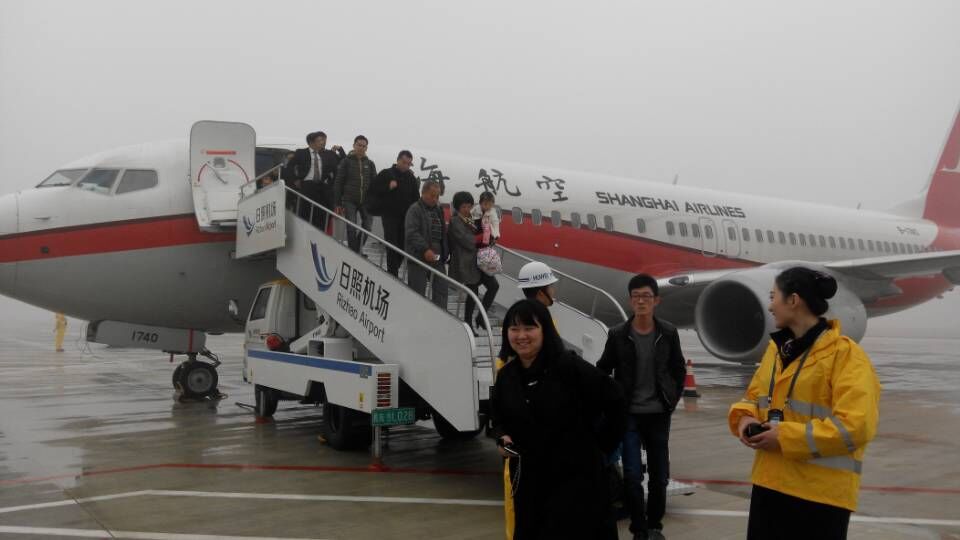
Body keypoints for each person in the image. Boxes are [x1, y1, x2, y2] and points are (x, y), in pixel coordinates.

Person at [729, 267, 880, 540]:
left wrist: (784, 437)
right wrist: (745, 419)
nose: (770, 306)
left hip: (820, 497)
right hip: (770, 486)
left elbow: (856, 427)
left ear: (793, 300)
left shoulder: (846, 357)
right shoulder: (775, 352)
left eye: (774, 297)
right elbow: (752, 398)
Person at [491, 299, 626, 540]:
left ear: (545, 330)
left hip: (576, 482)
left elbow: (616, 399)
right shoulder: (506, 377)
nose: (521, 336)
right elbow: (498, 418)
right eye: (514, 329)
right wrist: (502, 438)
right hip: (531, 483)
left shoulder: (568, 367)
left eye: (529, 328)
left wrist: (602, 447)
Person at [596, 274, 687, 540]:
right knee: (632, 475)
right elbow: (603, 369)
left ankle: (655, 526)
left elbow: (678, 370)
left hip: (658, 414)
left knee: (660, 476)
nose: (641, 301)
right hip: (630, 415)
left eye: (646, 296)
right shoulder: (618, 334)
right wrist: (611, 402)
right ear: (630, 301)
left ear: (656, 300)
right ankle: (639, 529)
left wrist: (671, 400)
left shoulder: (668, 333)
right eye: (636, 296)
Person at [447, 191, 501, 335]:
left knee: (493, 286)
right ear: (458, 207)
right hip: (465, 262)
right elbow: (467, 241)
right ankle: (468, 324)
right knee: (473, 293)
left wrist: (489, 237)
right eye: (463, 207)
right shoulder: (455, 221)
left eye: (469, 206)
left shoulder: (471, 219)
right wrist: (484, 236)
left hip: (478, 261)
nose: (467, 209)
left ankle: (480, 318)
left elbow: (481, 235)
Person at [368, 150, 420, 276]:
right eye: (404, 162)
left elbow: (416, 198)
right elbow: (372, 190)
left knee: (402, 246)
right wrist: (388, 187)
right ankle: (393, 273)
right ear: (398, 160)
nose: (406, 166)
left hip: (405, 217)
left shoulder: (411, 178)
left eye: (409, 164)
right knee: (392, 244)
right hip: (389, 215)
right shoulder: (386, 174)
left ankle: (393, 270)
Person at [284, 131, 345, 229]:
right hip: (307, 184)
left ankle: (320, 229)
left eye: (323, 140)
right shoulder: (301, 152)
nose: (322, 142)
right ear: (311, 143)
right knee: (305, 210)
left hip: (321, 185)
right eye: (319, 140)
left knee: (323, 210)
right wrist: (295, 180)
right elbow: (289, 167)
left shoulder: (326, 154)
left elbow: (342, 162)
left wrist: (340, 150)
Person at [404, 179, 448, 309]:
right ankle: (416, 316)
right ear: (423, 193)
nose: (435, 199)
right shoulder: (414, 209)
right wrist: (425, 249)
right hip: (419, 256)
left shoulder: (439, 210)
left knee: (442, 289)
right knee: (418, 292)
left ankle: (439, 316)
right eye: (432, 195)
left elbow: (443, 233)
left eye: (437, 196)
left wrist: (445, 252)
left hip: (437, 257)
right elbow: (412, 233)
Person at [334, 135, 377, 253]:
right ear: (354, 145)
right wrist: (337, 202)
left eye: (364, 146)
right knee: (351, 227)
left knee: (368, 227)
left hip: (366, 201)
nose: (361, 148)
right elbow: (338, 182)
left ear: (366, 148)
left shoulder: (370, 163)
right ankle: (353, 252)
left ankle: (356, 250)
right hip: (349, 200)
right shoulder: (346, 162)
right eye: (359, 145)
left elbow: (375, 183)